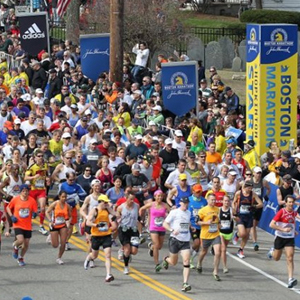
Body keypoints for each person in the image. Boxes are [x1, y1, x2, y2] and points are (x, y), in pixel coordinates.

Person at [159, 197, 192, 292]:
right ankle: (166, 259)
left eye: (187, 203)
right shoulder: (174, 212)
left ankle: (185, 283)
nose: (186, 205)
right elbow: (165, 224)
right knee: (173, 262)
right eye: (184, 203)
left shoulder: (189, 213)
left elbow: (186, 223)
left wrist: (191, 227)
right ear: (180, 203)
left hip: (185, 240)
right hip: (175, 239)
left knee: (186, 261)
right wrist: (172, 230)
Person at [267, 195, 299, 289]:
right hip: (280, 238)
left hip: (290, 238)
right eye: (289, 202)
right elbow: (271, 224)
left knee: (290, 257)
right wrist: (282, 230)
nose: (291, 204)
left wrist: (294, 231)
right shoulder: (281, 212)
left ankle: (290, 279)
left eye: (292, 202)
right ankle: (272, 251)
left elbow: (293, 222)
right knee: (276, 258)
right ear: (285, 203)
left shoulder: (294, 213)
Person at [84, 194, 117, 283]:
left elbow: (116, 214)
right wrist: (97, 225)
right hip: (96, 236)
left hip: (106, 235)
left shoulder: (107, 209)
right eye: (105, 202)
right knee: (95, 255)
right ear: (100, 202)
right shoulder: (94, 210)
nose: (106, 204)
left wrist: (115, 215)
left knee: (108, 255)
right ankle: (88, 258)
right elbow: (88, 223)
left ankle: (108, 275)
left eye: (107, 202)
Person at [6, 184, 38, 267]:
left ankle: (21, 258)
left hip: (27, 225)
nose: (25, 193)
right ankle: (15, 247)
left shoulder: (32, 200)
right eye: (23, 191)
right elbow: (8, 208)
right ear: (20, 192)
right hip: (18, 224)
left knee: (26, 244)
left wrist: (35, 214)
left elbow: (35, 210)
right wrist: (12, 216)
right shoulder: (15, 199)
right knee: (20, 240)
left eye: (27, 191)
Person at [139, 189, 169, 272]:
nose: (159, 197)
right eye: (158, 196)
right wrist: (140, 216)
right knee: (156, 244)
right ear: (155, 197)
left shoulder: (165, 205)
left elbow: (171, 214)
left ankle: (151, 248)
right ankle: (157, 264)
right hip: (153, 227)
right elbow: (142, 208)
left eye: (161, 196)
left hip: (162, 227)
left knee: (159, 246)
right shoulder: (151, 204)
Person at [232, 181, 263, 259]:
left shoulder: (253, 194)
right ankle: (237, 235)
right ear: (245, 187)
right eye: (249, 188)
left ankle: (241, 250)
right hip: (240, 216)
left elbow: (261, 204)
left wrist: (254, 207)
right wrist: (234, 209)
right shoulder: (239, 193)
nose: (250, 189)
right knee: (242, 233)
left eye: (251, 188)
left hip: (249, 216)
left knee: (246, 235)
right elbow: (233, 202)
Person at [197, 193, 222, 281]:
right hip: (205, 235)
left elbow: (218, 221)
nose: (213, 201)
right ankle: (199, 263)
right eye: (212, 200)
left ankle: (215, 271)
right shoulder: (202, 210)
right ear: (207, 200)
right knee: (204, 251)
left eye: (214, 200)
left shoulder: (217, 209)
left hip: (215, 234)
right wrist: (206, 223)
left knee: (218, 252)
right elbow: (197, 222)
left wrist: (220, 225)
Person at [24, 149, 50, 235]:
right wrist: (34, 177)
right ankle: (28, 224)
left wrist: (47, 179)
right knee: (31, 209)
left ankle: (41, 226)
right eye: (38, 156)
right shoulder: (31, 167)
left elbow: (47, 174)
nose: (40, 158)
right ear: (35, 158)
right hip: (33, 190)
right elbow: (26, 178)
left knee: (42, 208)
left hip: (41, 189)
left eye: (42, 156)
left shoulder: (45, 165)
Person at [117, 191, 141, 274]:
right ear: (126, 198)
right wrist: (117, 220)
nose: (132, 201)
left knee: (134, 251)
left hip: (133, 230)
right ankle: (126, 267)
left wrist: (141, 221)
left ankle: (124, 252)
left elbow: (138, 217)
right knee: (127, 249)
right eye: (130, 199)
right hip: (123, 230)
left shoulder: (137, 206)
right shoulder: (121, 207)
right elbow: (116, 216)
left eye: (133, 199)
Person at [45, 191, 71, 265]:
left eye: (65, 197)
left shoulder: (67, 206)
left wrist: (68, 223)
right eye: (62, 197)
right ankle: (50, 236)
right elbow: (47, 212)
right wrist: (50, 220)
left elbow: (70, 216)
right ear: (59, 197)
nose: (64, 198)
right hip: (54, 225)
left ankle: (59, 258)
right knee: (55, 245)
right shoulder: (55, 204)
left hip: (63, 225)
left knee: (63, 243)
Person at [188, 184, 207, 269]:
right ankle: (188, 257)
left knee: (199, 246)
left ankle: (191, 258)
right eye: (197, 192)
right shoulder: (189, 200)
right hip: (193, 225)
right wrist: (189, 224)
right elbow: (186, 213)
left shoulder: (204, 201)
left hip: (202, 226)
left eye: (200, 191)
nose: (199, 193)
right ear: (193, 192)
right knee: (196, 242)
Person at [219, 195, 234, 273]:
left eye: (228, 201)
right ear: (222, 201)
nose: (226, 202)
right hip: (221, 232)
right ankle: (224, 267)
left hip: (229, 232)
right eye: (225, 201)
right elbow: (216, 221)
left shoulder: (231, 210)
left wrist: (234, 217)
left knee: (223, 249)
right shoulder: (219, 210)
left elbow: (236, 219)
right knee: (224, 249)